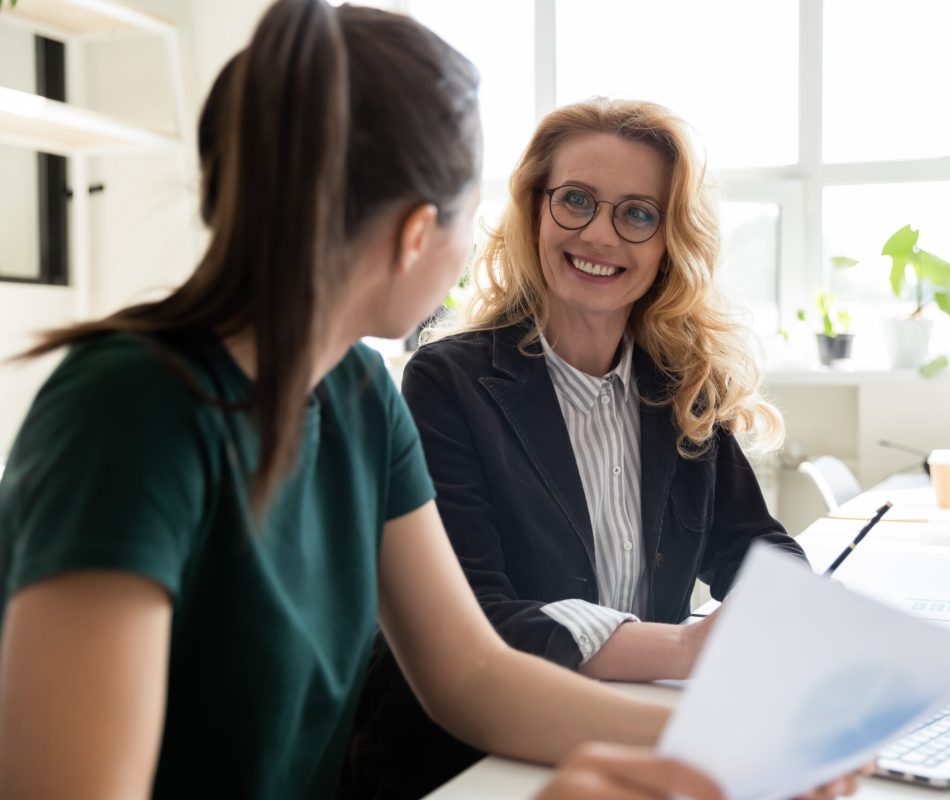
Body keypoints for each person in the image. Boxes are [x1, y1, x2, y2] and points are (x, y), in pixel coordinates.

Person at [0, 4, 765, 798]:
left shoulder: (360, 395)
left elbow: (472, 676)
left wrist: (727, 740)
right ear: (413, 234)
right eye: (472, 216)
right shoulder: (129, 409)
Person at [345, 98, 853, 799]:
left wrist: (780, 614)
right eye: (576, 200)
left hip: (630, 731)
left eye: (637, 213)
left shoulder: (682, 384)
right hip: (477, 759)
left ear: (669, 241)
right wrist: (683, 649)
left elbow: (754, 543)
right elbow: (479, 618)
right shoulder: (449, 382)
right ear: (534, 212)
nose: (600, 234)